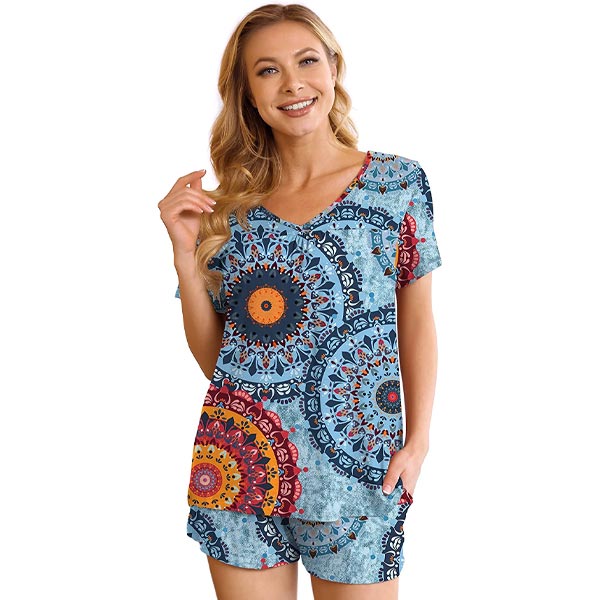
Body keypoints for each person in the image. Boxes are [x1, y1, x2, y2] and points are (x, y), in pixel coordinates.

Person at [158, 3, 441, 599]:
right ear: (246, 93)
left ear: (333, 67)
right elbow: (221, 364)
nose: (291, 83)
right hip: (241, 463)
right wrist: (185, 256)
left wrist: (417, 442)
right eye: (267, 70)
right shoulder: (228, 212)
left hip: (359, 470)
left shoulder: (397, 183)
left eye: (306, 61)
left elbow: (416, 319)